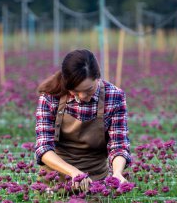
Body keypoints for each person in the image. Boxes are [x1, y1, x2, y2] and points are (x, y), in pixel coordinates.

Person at [35, 49, 131, 192]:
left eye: (88, 89)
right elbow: (43, 148)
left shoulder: (114, 96)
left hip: (95, 182)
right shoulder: (51, 95)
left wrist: (117, 173)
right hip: (54, 180)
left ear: (98, 77)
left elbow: (119, 145)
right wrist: (74, 172)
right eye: (75, 91)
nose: (82, 96)